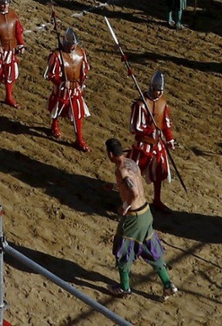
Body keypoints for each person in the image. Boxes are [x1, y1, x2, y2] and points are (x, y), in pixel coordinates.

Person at [103, 139, 175, 300]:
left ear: (110, 153)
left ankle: (124, 288)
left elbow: (133, 193)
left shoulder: (120, 170)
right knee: (151, 248)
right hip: (146, 214)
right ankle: (168, 284)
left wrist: (124, 207)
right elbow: (133, 183)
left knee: (123, 250)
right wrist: (115, 187)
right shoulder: (131, 163)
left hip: (133, 218)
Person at [129, 71, 177, 213]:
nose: (159, 93)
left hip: (158, 144)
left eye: (161, 90)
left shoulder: (163, 103)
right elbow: (135, 127)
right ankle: (130, 197)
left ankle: (157, 199)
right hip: (144, 144)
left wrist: (170, 139)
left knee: (159, 170)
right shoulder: (141, 104)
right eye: (157, 90)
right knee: (135, 171)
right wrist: (151, 130)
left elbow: (166, 124)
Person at [45, 28, 92, 150]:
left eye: (75, 45)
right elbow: (51, 74)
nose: (73, 47)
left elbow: (84, 69)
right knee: (57, 108)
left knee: (77, 113)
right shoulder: (57, 56)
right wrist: (60, 82)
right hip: (61, 90)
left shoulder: (81, 53)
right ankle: (54, 125)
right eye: (71, 45)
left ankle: (79, 139)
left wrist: (82, 82)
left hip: (75, 89)